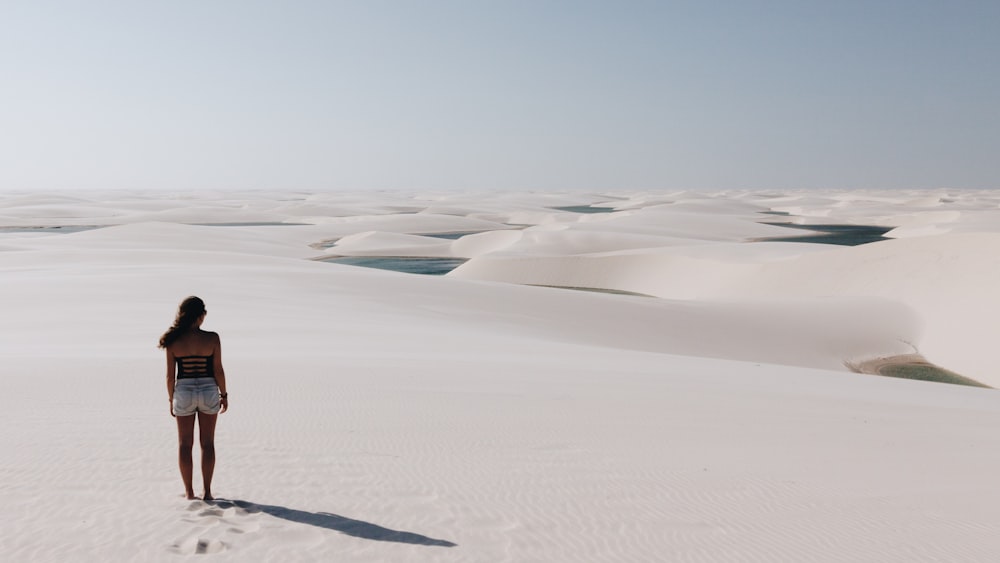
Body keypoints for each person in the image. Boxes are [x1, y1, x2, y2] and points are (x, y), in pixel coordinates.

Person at [159, 296, 228, 500]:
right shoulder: (212, 338)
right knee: (208, 444)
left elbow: (170, 376)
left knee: (184, 444)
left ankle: (189, 492)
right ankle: (207, 492)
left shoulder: (173, 341)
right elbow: (218, 370)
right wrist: (223, 394)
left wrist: (172, 399)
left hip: (184, 390)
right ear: (200, 315)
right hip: (208, 389)